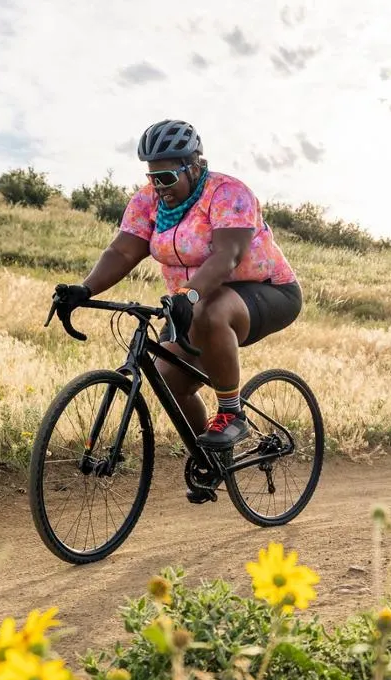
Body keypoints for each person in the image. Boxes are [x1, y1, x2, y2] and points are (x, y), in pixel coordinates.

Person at [53, 119, 302, 467]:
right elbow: (122, 252)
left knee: (210, 310)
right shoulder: (147, 201)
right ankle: (212, 462)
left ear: (194, 165)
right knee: (170, 380)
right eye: (152, 177)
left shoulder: (228, 193)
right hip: (193, 300)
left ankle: (231, 414)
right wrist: (84, 288)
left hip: (266, 291)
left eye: (167, 177)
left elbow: (227, 256)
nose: (159, 186)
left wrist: (190, 295)